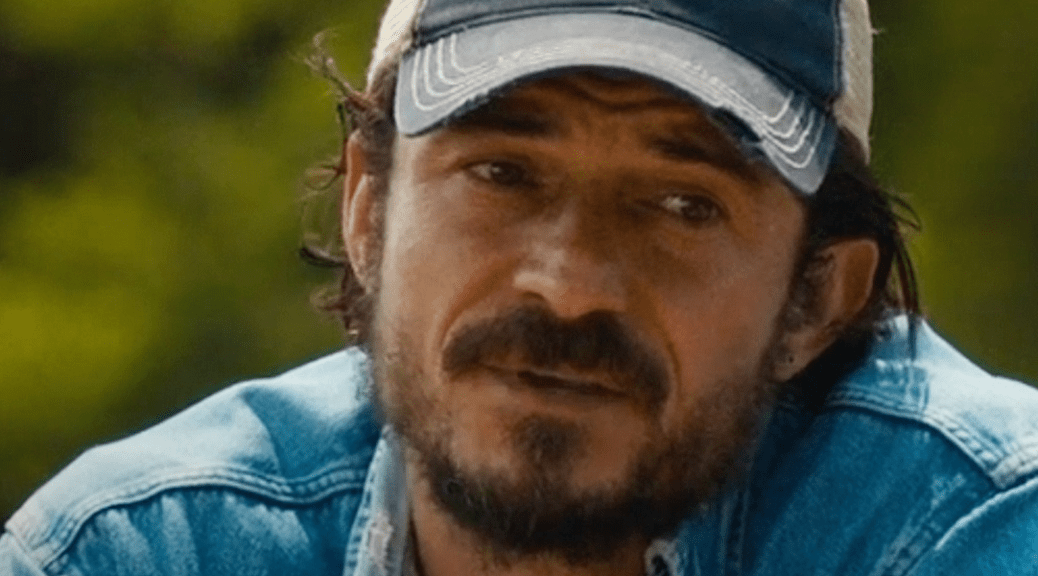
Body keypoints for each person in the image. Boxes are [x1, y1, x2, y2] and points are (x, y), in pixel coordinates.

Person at [4, 0, 1038, 573]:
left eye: (682, 205)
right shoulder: (146, 552)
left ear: (815, 299)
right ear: (369, 211)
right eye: (501, 174)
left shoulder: (968, 530)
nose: (570, 287)